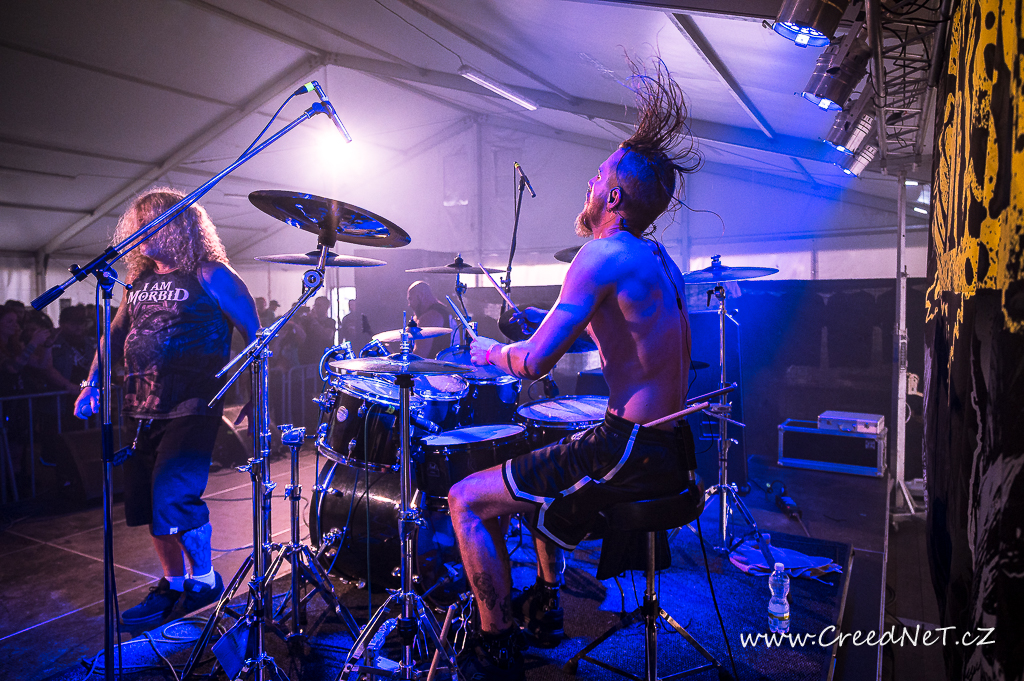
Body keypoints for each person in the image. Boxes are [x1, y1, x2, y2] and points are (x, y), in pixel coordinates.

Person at [448, 58, 701, 679]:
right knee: (541, 465)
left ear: (613, 197)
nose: (588, 184)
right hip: (669, 445)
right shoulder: (655, 257)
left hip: (628, 448)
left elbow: (534, 363)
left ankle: (496, 643)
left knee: (466, 498)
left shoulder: (599, 253)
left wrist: (487, 352)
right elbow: (615, 331)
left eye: (597, 177)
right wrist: (544, 318)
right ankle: (546, 606)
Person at [73, 189, 260, 627]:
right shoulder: (136, 283)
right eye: (138, 224)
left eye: (152, 223)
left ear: (180, 227)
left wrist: (257, 394)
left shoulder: (211, 274)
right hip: (139, 406)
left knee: (174, 498)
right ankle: (173, 584)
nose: (141, 232)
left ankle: (205, 580)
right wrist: (90, 383)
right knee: (146, 504)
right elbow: (112, 336)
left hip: (192, 404)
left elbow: (257, 336)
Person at [407, 280, 452, 358]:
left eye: (410, 299)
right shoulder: (442, 311)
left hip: (436, 365)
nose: (409, 304)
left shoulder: (430, 317)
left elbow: (419, 356)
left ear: (420, 296)